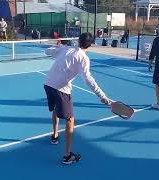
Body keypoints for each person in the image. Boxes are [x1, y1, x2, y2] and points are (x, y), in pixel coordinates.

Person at [44, 32, 110, 164]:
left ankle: (55, 136)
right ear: (90, 45)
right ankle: (68, 156)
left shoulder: (67, 48)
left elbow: (47, 51)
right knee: (70, 120)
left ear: (78, 41)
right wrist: (101, 95)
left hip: (48, 84)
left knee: (56, 109)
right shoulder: (83, 58)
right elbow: (88, 79)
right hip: (61, 88)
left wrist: (58, 48)